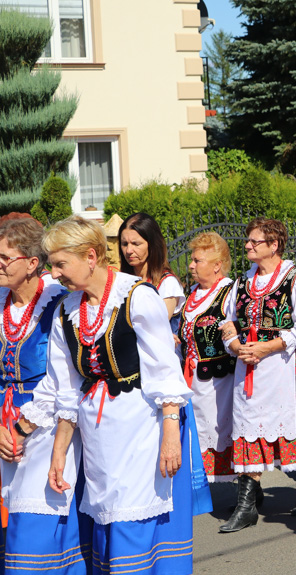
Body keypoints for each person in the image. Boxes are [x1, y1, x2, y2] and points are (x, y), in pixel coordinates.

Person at [44, 216, 196, 574]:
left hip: (143, 424)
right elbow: (65, 389)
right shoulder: (67, 311)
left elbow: (164, 369)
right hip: (99, 433)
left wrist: (171, 435)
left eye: (61, 264)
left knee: (136, 517)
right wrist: (58, 454)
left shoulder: (137, 296)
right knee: (107, 519)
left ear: (91, 256)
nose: (54, 274)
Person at [217, 218, 296, 533]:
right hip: (248, 367)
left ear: (274, 245)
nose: (247, 245)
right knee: (247, 428)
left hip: (284, 365)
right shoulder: (241, 282)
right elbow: (228, 322)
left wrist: (267, 347)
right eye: (248, 241)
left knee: (291, 430)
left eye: (254, 241)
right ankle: (246, 505)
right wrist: (236, 346)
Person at [0, 217, 91, 574]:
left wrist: (22, 426)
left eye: (6, 258)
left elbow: (67, 379)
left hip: (49, 423)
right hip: (4, 421)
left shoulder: (60, 303)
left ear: (32, 263)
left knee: (34, 521)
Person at [176, 232, 236, 482]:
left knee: (219, 428)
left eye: (198, 260)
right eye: (192, 259)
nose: (191, 265)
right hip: (192, 379)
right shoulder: (191, 293)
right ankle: (199, 486)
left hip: (219, 381)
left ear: (217, 266)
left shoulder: (228, 293)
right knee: (196, 429)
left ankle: (244, 487)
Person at [118, 212, 185, 328]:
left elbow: (157, 328)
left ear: (152, 245)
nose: (129, 250)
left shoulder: (167, 284)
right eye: (124, 244)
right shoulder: (121, 280)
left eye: (136, 244)